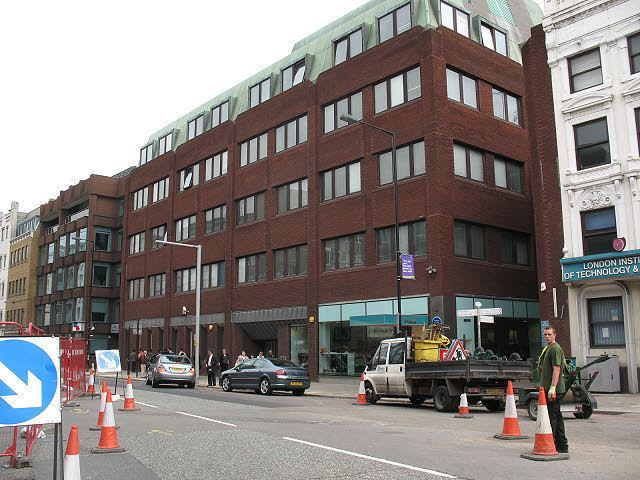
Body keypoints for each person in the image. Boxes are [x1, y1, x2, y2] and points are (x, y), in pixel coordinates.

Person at [537, 326, 568, 454]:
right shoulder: (548, 348)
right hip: (549, 388)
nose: (547, 337)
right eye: (545, 335)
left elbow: (557, 368)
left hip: (553, 389)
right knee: (557, 416)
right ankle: (562, 446)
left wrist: (553, 388)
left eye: (549, 334)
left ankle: (552, 444)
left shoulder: (555, 348)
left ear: (555, 335)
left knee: (552, 417)